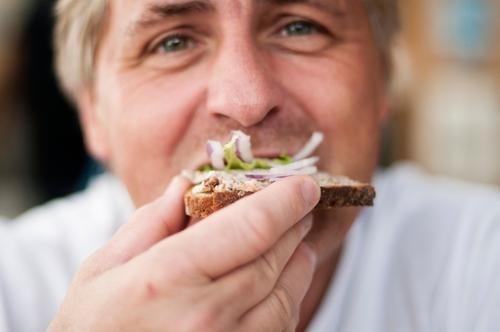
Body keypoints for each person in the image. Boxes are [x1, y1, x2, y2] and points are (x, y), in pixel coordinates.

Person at [1, 0, 499, 331]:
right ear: (92, 113)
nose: (247, 101)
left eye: (301, 26)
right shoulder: (15, 288)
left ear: (383, 81)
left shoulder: (479, 259)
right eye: (173, 42)